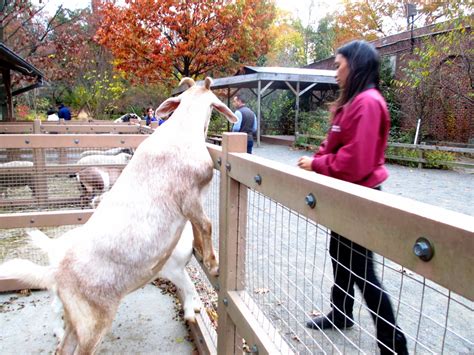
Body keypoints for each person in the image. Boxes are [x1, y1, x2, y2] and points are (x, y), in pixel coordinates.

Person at [297, 40, 408, 355]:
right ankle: (341, 312)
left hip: (361, 195)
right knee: (339, 255)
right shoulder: (352, 102)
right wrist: (318, 158)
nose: (335, 72)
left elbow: (356, 162)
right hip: (346, 195)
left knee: (362, 270)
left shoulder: (368, 103)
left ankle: (393, 344)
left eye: (338, 65)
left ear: (354, 65)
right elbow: (332, 141)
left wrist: (317, 164)